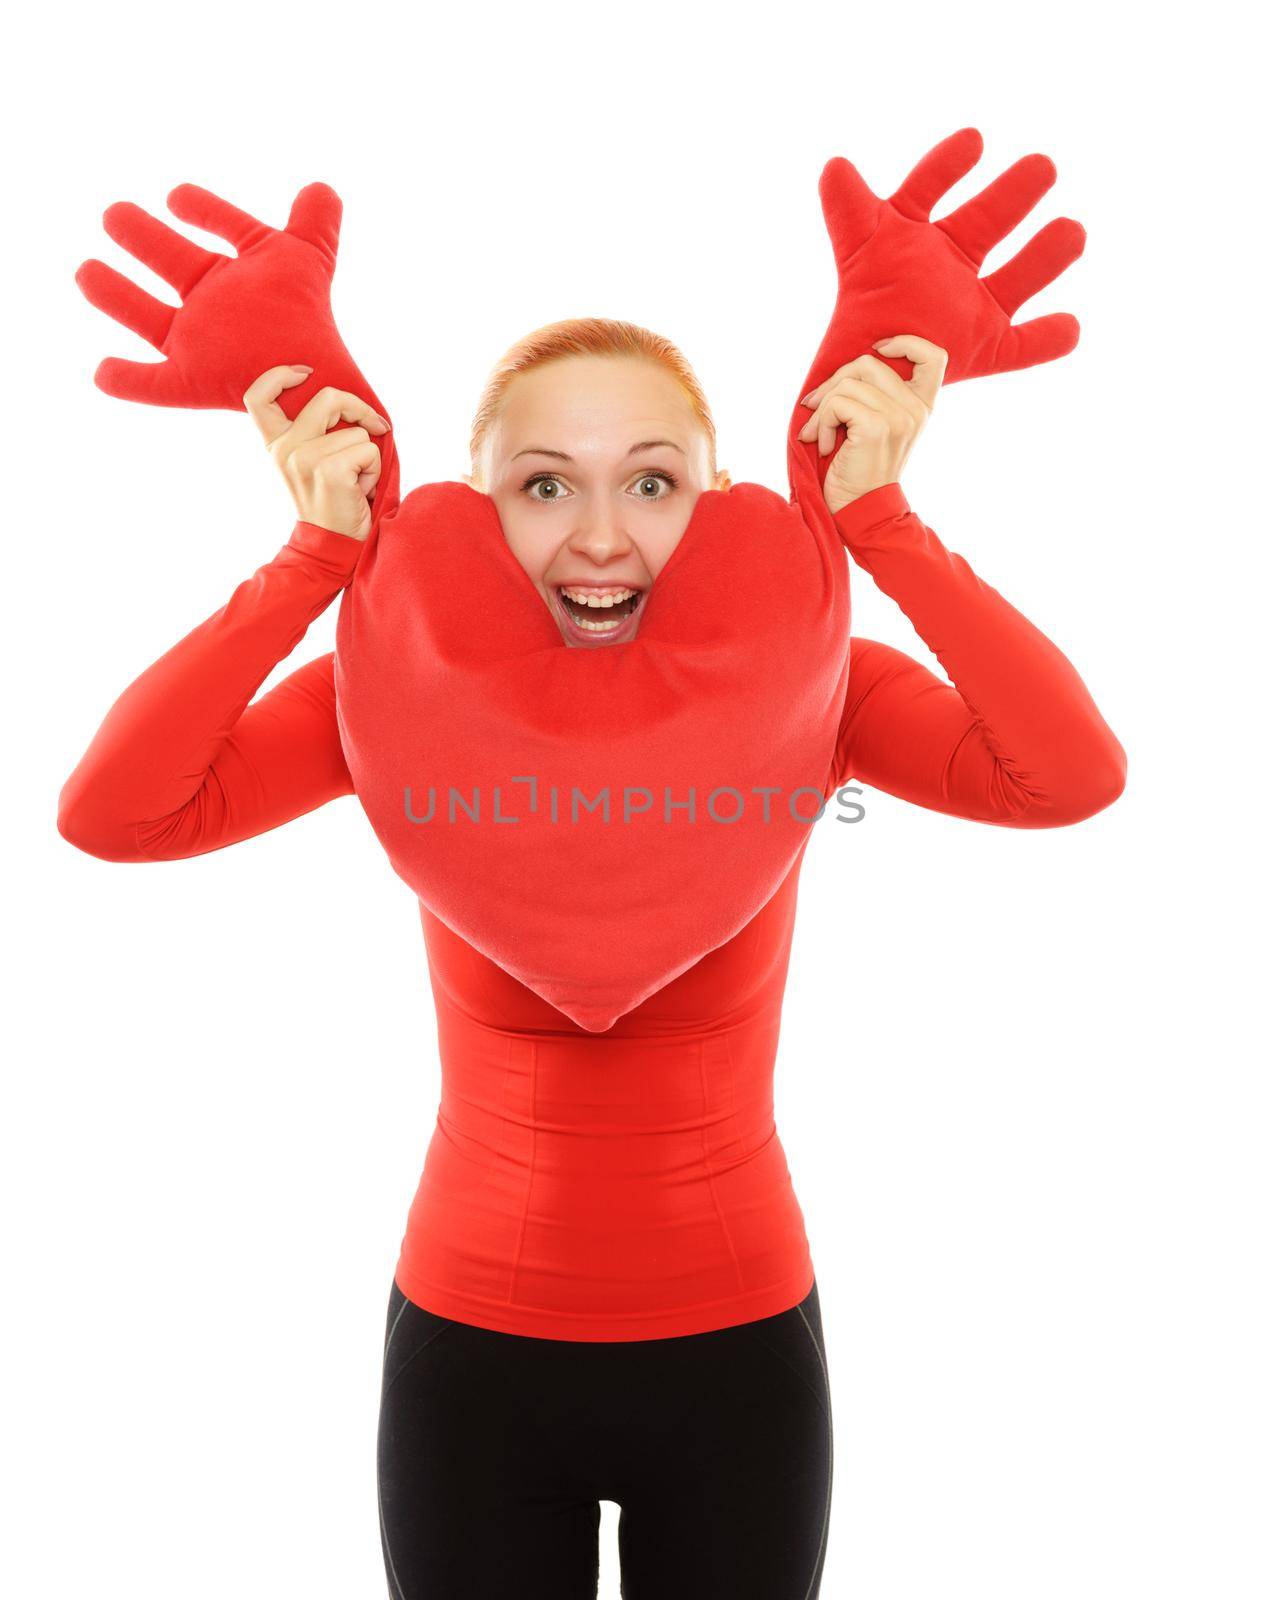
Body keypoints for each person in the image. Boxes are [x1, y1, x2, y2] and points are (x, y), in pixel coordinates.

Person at [57, 316, 1125, 1599]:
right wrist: (314, 560)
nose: (602, 534)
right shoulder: (395, 693)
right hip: (472, 1353)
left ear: (715, 503)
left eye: (653, 480)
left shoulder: (808, 685)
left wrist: (880, 524)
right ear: (477, 510)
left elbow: (1065, 776)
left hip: (735, 1352)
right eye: (544, 484)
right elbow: (116, 813)